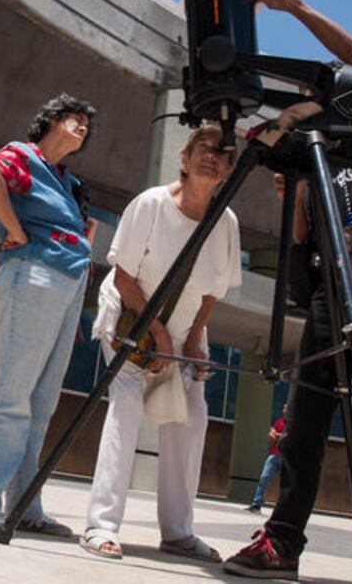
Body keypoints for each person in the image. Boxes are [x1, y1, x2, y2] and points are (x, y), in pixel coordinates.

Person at [223, 0, 352, 583]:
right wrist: (295, 199)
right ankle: (282, 542)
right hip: (327, 295)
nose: (320, 103)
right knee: (304, 422)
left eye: (324, 94)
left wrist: (293, 7)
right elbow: (304, 253)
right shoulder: (313, 158)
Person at [80, 125, 242, 561]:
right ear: (185, 159)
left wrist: (190, 341)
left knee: (191, 416)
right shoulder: (151, 204)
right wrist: (159, 334)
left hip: (186, 328)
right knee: (128, 403)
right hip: (133, 319)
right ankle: (102, 525)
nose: (212, 157)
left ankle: (178, 531)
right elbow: (123, 275)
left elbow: (214, 290)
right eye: (202, 149)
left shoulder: (225, 222)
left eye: (222, 154)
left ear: (228, 171)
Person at [0, 93, 96, 537]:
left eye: (85, 125)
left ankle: (24, 504)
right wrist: (14, 229)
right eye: (75, 119)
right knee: (14, 394)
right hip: (34, 272)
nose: (82, 128)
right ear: (52, 119)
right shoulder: (24, 153)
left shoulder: (67, 180)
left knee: (42, 404)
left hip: (68, 282)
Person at [248, 403, 288, 514]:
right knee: (264, 478)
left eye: (287, 408)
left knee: (286, 484)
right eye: (284, 407)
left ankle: (283, 510)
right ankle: (256, 504)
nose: (284, 410)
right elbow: (271, 436)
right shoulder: (279, 422)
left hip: (287, 457)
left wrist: (277, 434)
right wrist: (276, 435)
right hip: (274, 455)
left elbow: (288, 437)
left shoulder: (294, 424)